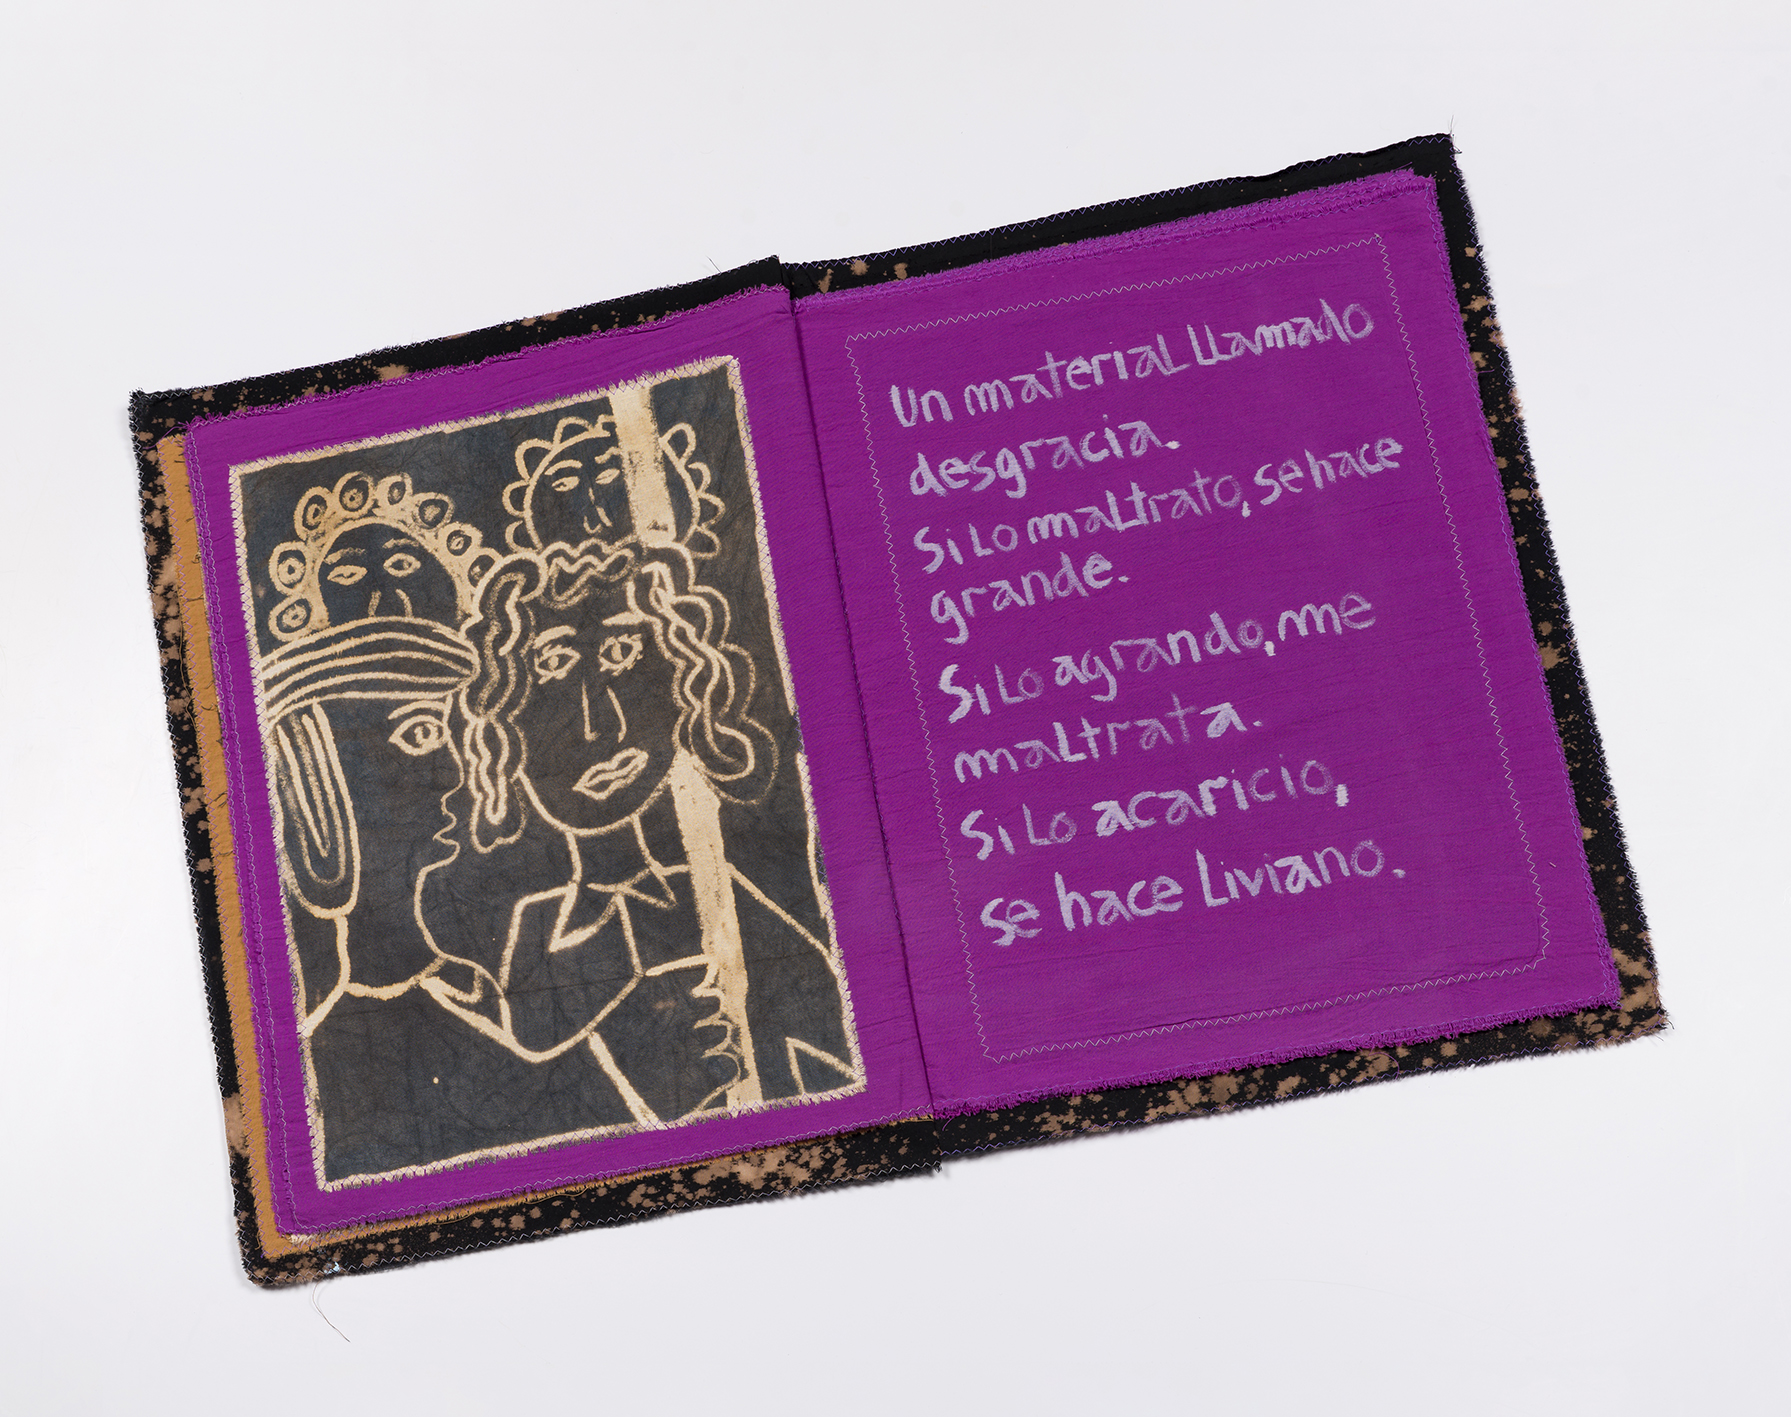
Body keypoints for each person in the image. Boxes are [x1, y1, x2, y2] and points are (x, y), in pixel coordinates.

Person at [427, 537, 860, 1124]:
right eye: (553, 666)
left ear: (681, 682)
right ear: (504, 729)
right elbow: (519, 1076)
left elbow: (841, 1051)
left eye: (622, 653)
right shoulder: (534, 931)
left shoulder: (717, 895)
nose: (599, 720)